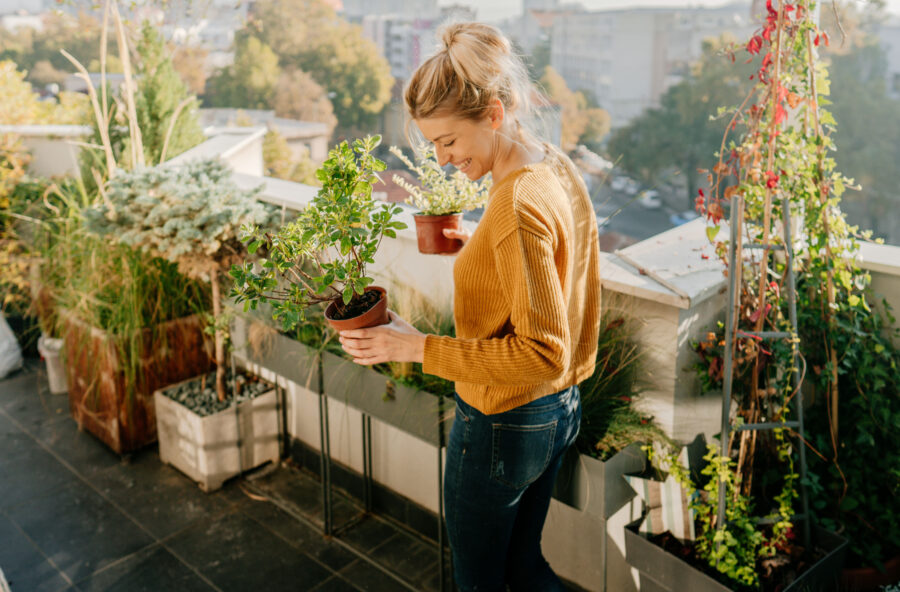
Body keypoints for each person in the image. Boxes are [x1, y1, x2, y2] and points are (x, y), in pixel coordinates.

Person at [338, 21, 602, 592]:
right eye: (432, 145)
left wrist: (413, 347)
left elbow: (540, 353)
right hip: (557, 411)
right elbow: (557, 257)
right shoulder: (547, 162)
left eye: (449, 142)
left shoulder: (516, 207)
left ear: (495, 115)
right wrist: (477, 244)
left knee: (479, 581)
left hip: (505, 419)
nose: (441, 159)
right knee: (523, 567)